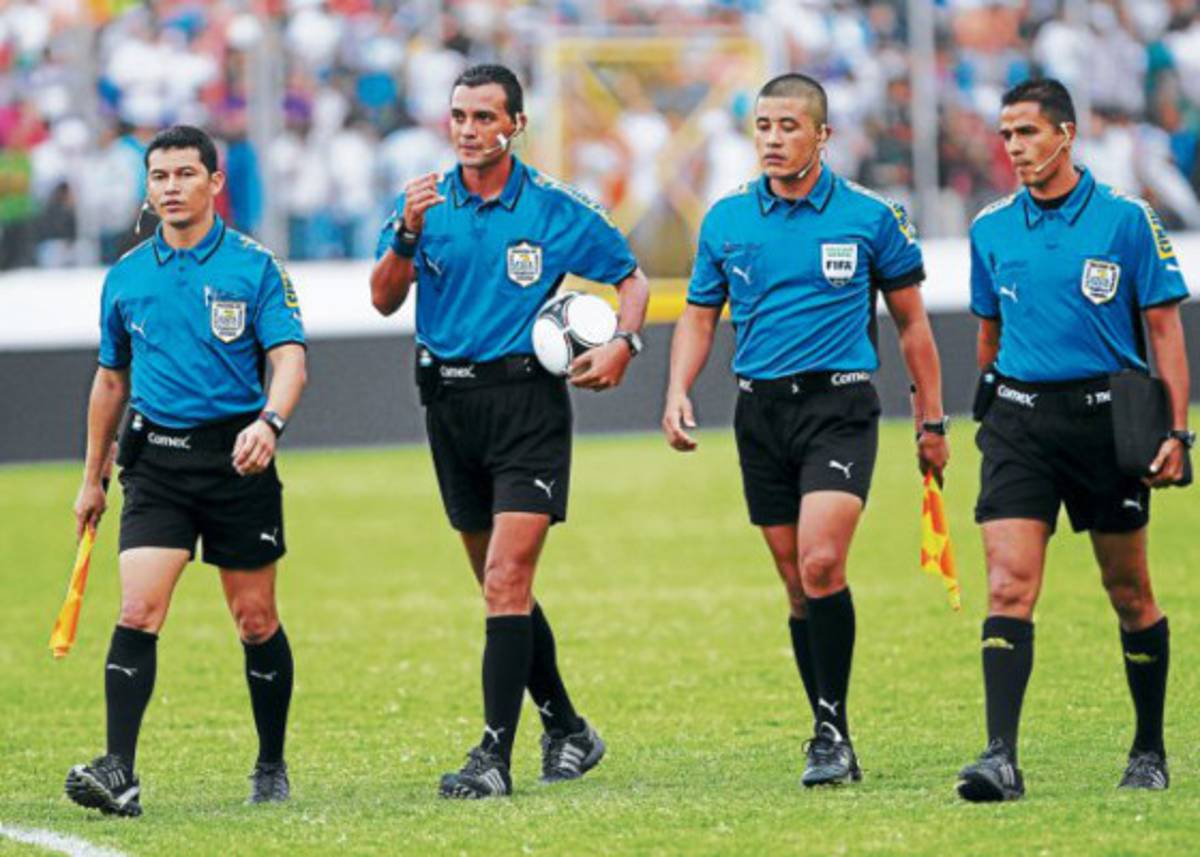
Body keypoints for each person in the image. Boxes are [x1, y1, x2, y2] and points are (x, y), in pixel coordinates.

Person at [369, 64, 650, 799]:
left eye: (484, 117)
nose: (468, 129)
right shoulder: (424, 202)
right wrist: (405, 233)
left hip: (527, 407)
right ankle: (569, 727)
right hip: (449, 407)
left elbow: (633, 278)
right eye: (458, 115)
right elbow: (382, 298)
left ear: (515, 125)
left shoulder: (555, 208)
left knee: (505, 579)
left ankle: (493, 753)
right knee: (501, 588)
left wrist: (623, 342)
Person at [661, 73, 949, 787]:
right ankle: (829, 727)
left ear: (822, 135)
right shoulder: (727, 220)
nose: (773, 139)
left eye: (789, 126)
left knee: (822, 563)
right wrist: (676, 390)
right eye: (763, 126)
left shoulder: (871, 216)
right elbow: (700, 316)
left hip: (840, 408)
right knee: (796, 583)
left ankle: (830, 731)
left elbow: (913, 324)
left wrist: (932, 417)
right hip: (761, 414)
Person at [956, 79, 1192, 802]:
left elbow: (1163, 332)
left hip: (1104, 424)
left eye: (1026, 133)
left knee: (1129, 590)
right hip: (1021, 425)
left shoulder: (1127, 220)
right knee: (1008, 583)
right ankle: (1000, 756)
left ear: (1066, 133)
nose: (1014, 148)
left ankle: (1149, 746)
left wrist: (1177, 431)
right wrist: (997, 405)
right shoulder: (990, 227)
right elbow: (987, 335)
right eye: (1005, 135)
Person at [67, 125, 308, 816]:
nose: (170, 187)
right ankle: (120, 770)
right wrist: (92, 475)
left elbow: (290, 358)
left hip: (238, 460)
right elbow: (110, 380)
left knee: (255, 619)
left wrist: (269, 422)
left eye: (183, 174)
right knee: (138, 609)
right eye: (159, 176)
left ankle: (270, 762)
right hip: (157, 465)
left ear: (214, 182)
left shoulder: (255, 267)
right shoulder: (127, 275)